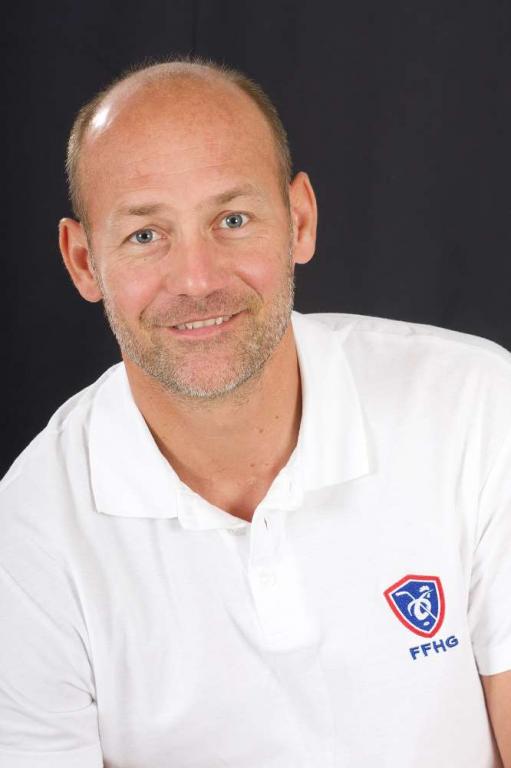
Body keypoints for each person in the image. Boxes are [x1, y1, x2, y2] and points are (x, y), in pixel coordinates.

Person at [0, 56, 510, 768]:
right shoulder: (26, 537)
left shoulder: (476, 406)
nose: (196, 279)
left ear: (299, 220)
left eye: (232, 219)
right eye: (145, 235)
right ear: (84, 261)